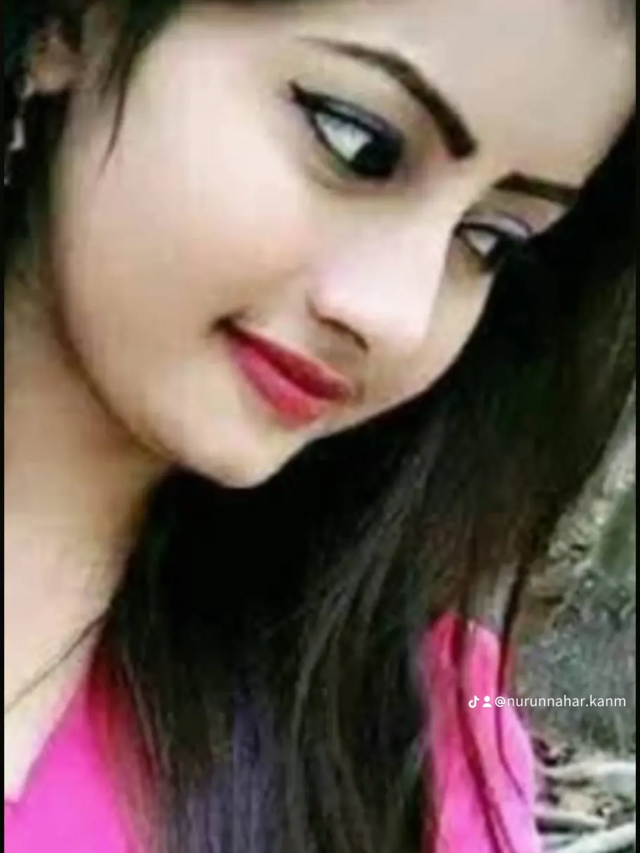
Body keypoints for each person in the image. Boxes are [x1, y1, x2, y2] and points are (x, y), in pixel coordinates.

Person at [4, 1, 635, 852]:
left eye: (489, 238)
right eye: (358, 143)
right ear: (75, 22)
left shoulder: (401, 750)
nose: (401, 317)